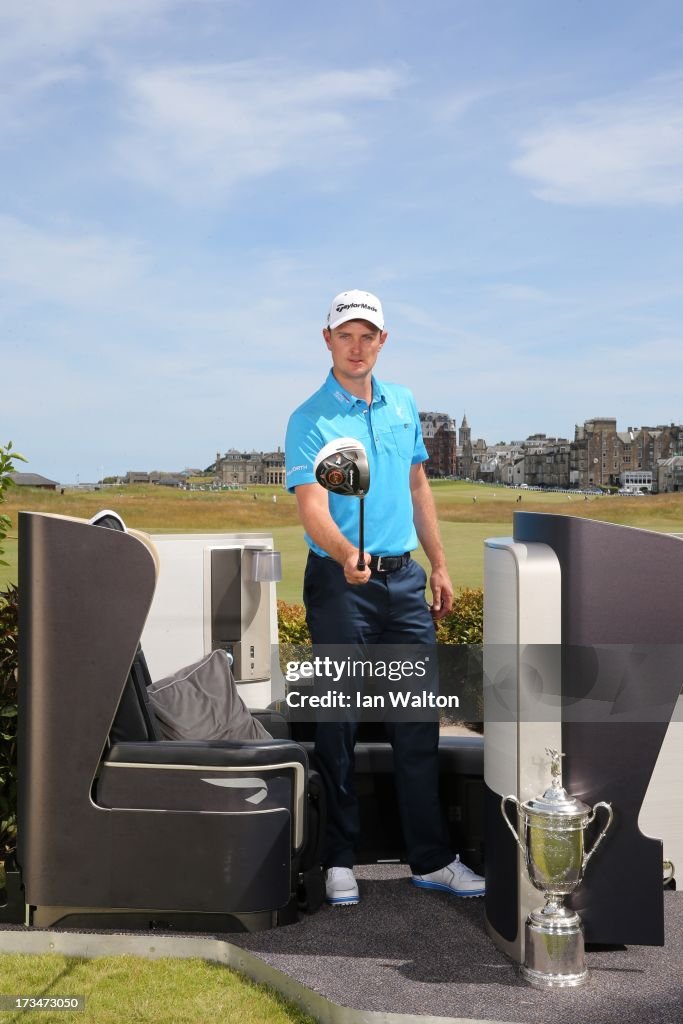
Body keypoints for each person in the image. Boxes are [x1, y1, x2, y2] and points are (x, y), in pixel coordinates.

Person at [285, 289, 485, 907]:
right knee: (339, 723)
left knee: (417, 723)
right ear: (327, 341)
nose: (356, 344)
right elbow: (312, 509)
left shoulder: (403, 404)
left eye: (367, 334)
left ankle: (430, 859)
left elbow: (418, 485)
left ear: (382, 341)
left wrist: (441, 563)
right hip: (341, 585)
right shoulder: (309, 419)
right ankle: (339, 858)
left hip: (402, 583)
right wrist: (346, 552)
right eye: (345, 334)